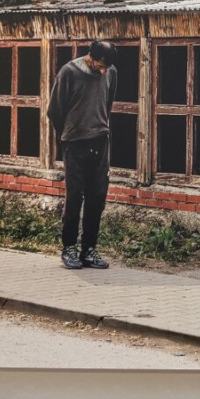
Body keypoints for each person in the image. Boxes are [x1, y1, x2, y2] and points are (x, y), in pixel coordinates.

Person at [48, 40, 119, 269]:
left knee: (97, 197)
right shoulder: (69, 72)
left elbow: (108, 103)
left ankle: (89, 249)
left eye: (107, 68)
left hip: (100, 139)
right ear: (91, 57)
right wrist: (69, 133)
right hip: (74, 142)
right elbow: (55, 110)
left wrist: (99, 125)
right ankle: (69, 248)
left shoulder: (111, 72)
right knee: (75, 197)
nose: (103, 72)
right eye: (100, 66)